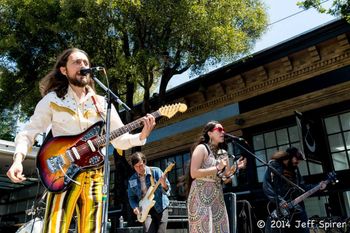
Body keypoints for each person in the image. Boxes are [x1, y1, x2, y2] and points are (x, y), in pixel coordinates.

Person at [6, 48, 156, 233]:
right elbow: (29, 131)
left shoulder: (102, 103)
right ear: (64, 70)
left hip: (94, 176)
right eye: (77, 62)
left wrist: (141, 136)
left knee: (92, 229)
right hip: (62, 172)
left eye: (86, 63)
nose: (83, 66)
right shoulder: (52, 100)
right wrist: (18, 159)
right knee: (55, 228)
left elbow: (118, 139)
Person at [186, 120, 247, 233]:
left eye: (223, 130)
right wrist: (217, 168)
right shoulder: (201, 148)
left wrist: (237, 168)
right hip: (200, 196)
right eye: (219, 130)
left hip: (217, 197)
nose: (222, 132)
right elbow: (194, 173)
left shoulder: (223, 153)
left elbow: (225, 179)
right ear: (210, 133)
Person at [262, 147, 327, 233]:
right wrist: (279, 200)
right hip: (280, 209)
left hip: (296, 208)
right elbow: (266, 186)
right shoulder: (274, 165)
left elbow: (302, 188)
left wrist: (318, 186)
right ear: (289, 157)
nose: (298, 162)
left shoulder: (295, 170)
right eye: (297, 159)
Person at [127, 152, 171, 233]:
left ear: (144, 162)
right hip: (145, 210)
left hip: (161, 207)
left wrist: (164, 184)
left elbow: (168, 190)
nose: (139, 168)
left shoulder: (156, 171)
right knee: (147, 231)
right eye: (136, 166)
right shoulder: (132, 180)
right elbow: (131, 197)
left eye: (140, 165)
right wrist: (135, 207)